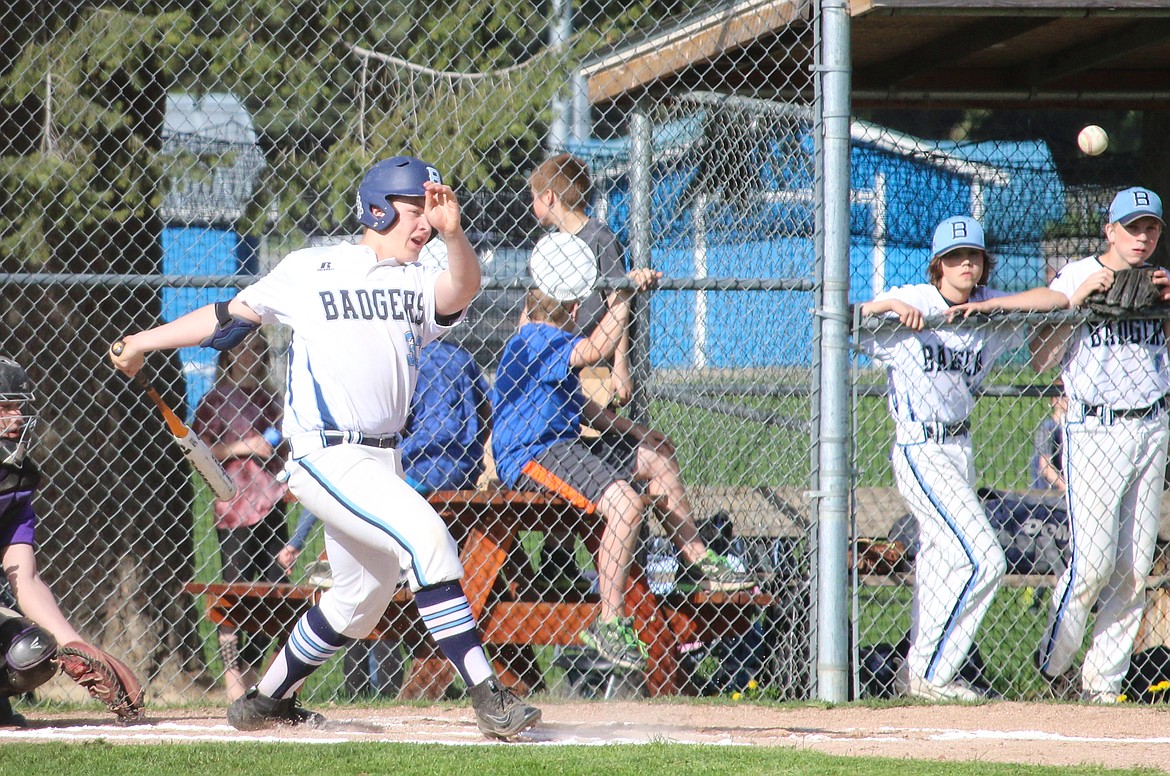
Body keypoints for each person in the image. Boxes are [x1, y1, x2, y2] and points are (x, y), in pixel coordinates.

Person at [110, 155, 541, 740]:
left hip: (383, 457)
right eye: (415, 210)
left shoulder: (416, 281)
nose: (424, 224)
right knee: (430, 538)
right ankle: (488, 696)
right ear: (378, 209)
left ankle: (264, 700)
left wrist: (453, 232)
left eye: (429, 212)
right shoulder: (310, 267)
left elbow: (463, 287)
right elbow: (226, 320)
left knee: (360, 601)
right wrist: (143, 341)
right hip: (326, 453)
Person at [491, 245, 754, 671]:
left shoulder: (541, 339)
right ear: (575, 308)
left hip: (564, 446)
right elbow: (597, 349)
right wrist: (623, 295)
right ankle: (610, 621)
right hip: (533, 456)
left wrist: (638, 433)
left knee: (656, 456)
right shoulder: (535, 338)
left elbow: (578, 406)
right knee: (627, 504)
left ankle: (697, 558)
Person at [858, 215, 1071, 701]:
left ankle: (923, 670)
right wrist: (890, 305)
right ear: (938, 266)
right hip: (920, 445)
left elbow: (1056, 302)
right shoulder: (916, 299)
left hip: (961, 448)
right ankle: (932, 675)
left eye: (972, 256)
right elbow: (852, 319)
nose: (965, 265)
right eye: (954, 258)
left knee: (941, 562)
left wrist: (996, 304)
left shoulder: (986, 309)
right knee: (984, 557)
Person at [277, 338, 490, 698]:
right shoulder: (462, 355)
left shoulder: (404, 356)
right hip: (461, 477)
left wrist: (296, 540)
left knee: (365, 549)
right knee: (396, 564)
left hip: (412, 471)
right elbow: (483, 413)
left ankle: (359, 683)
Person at [1027, 186, 1170, 703]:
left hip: (1152, 426)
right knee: (1091, 563)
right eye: (1132, 227)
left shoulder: (1160, 281)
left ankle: (1102, 685)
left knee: (1134, 567)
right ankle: (1053, 665)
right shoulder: (1075, 274)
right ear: (1109, 231)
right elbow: (1039, 359)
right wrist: (1078, 298)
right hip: (1094, 430)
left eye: (1150, 227)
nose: (1142, 236)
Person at [0, 356, 144, 725]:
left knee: (31, 651)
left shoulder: (12, 481)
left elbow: (25, 578)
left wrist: (77, 648)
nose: (15, 419)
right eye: (3, 407)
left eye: (18, 407)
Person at [526, 153, 630, 587]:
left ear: (550, 196)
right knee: (558, 449)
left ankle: (562, 552)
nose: (531, 205)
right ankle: (554, 557)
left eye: (534, 197)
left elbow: (617, 301)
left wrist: (620, 367)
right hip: (555, 362)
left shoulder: (599, 237)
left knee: (583, 453)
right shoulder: (549, 248)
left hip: (594, 363)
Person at [192, 331, 289, 701]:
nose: (249, 355)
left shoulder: (272, 400)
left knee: (275, 593)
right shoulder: (215, 400)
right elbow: (203, 450)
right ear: (228, 357)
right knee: (235, 593)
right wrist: (243, 446)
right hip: (234, 508)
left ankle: (256, 672)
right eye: (242, 349)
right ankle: (233, 679)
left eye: (256, 349)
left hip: (271, 503)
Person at [1031, 383, 1067, 493]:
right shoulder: (1047, 429)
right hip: (1047, 494)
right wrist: (1067, 488)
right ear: (1055, 400)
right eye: (1065, 397)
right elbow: (1045, 467)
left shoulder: (1073, 430)